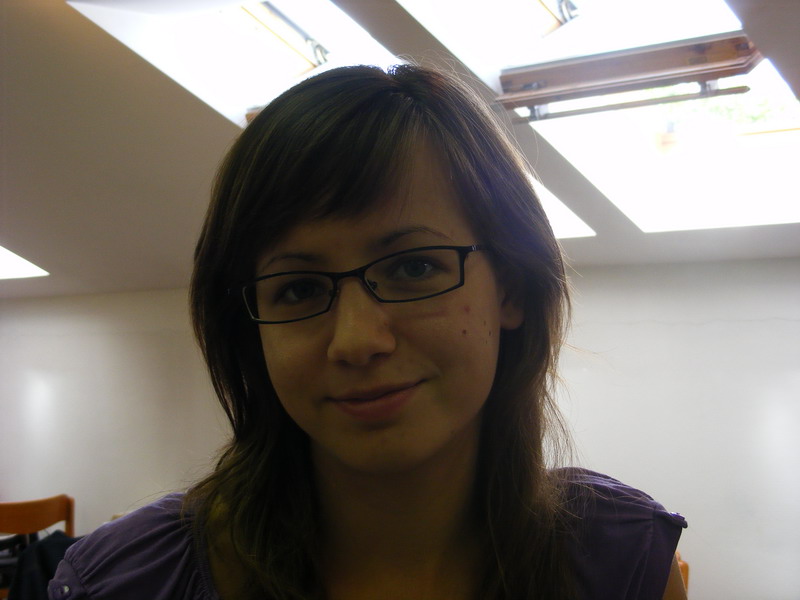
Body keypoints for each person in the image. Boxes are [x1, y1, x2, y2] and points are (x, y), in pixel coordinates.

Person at [48, 64, 687, 600]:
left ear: (511, 288)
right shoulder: (127, 583)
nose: (356, 341)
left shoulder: (621, 564)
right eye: (299, 289)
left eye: (413, 268)